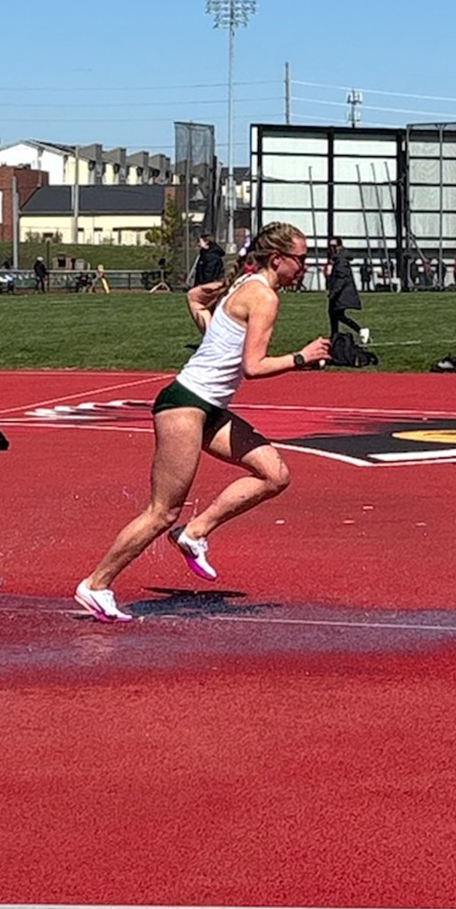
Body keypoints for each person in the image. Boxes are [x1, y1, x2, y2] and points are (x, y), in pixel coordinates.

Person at [73, 223, 330, 623]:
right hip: (185, 405)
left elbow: (212, 326)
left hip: (207, 408)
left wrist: (195, 304)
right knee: (162, 512)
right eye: (301, 258)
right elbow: (253, 366)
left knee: (274, 475)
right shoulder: (262, 296)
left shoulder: (247, 284)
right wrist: (302, 357)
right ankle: (96, 584)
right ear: (277, 258)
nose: (305, 266)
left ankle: (195, 533)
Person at [324, 237, 368, 344]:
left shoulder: (341, 261)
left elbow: (341, 279)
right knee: (334, 315)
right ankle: (334, 338)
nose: (331, 248)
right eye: (330, 246)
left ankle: (360, 330)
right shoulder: (338, 260)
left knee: (337, 315)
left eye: (334, 246)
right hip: (339, 293)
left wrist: (333, 293)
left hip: (341, 294)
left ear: (339, 246)